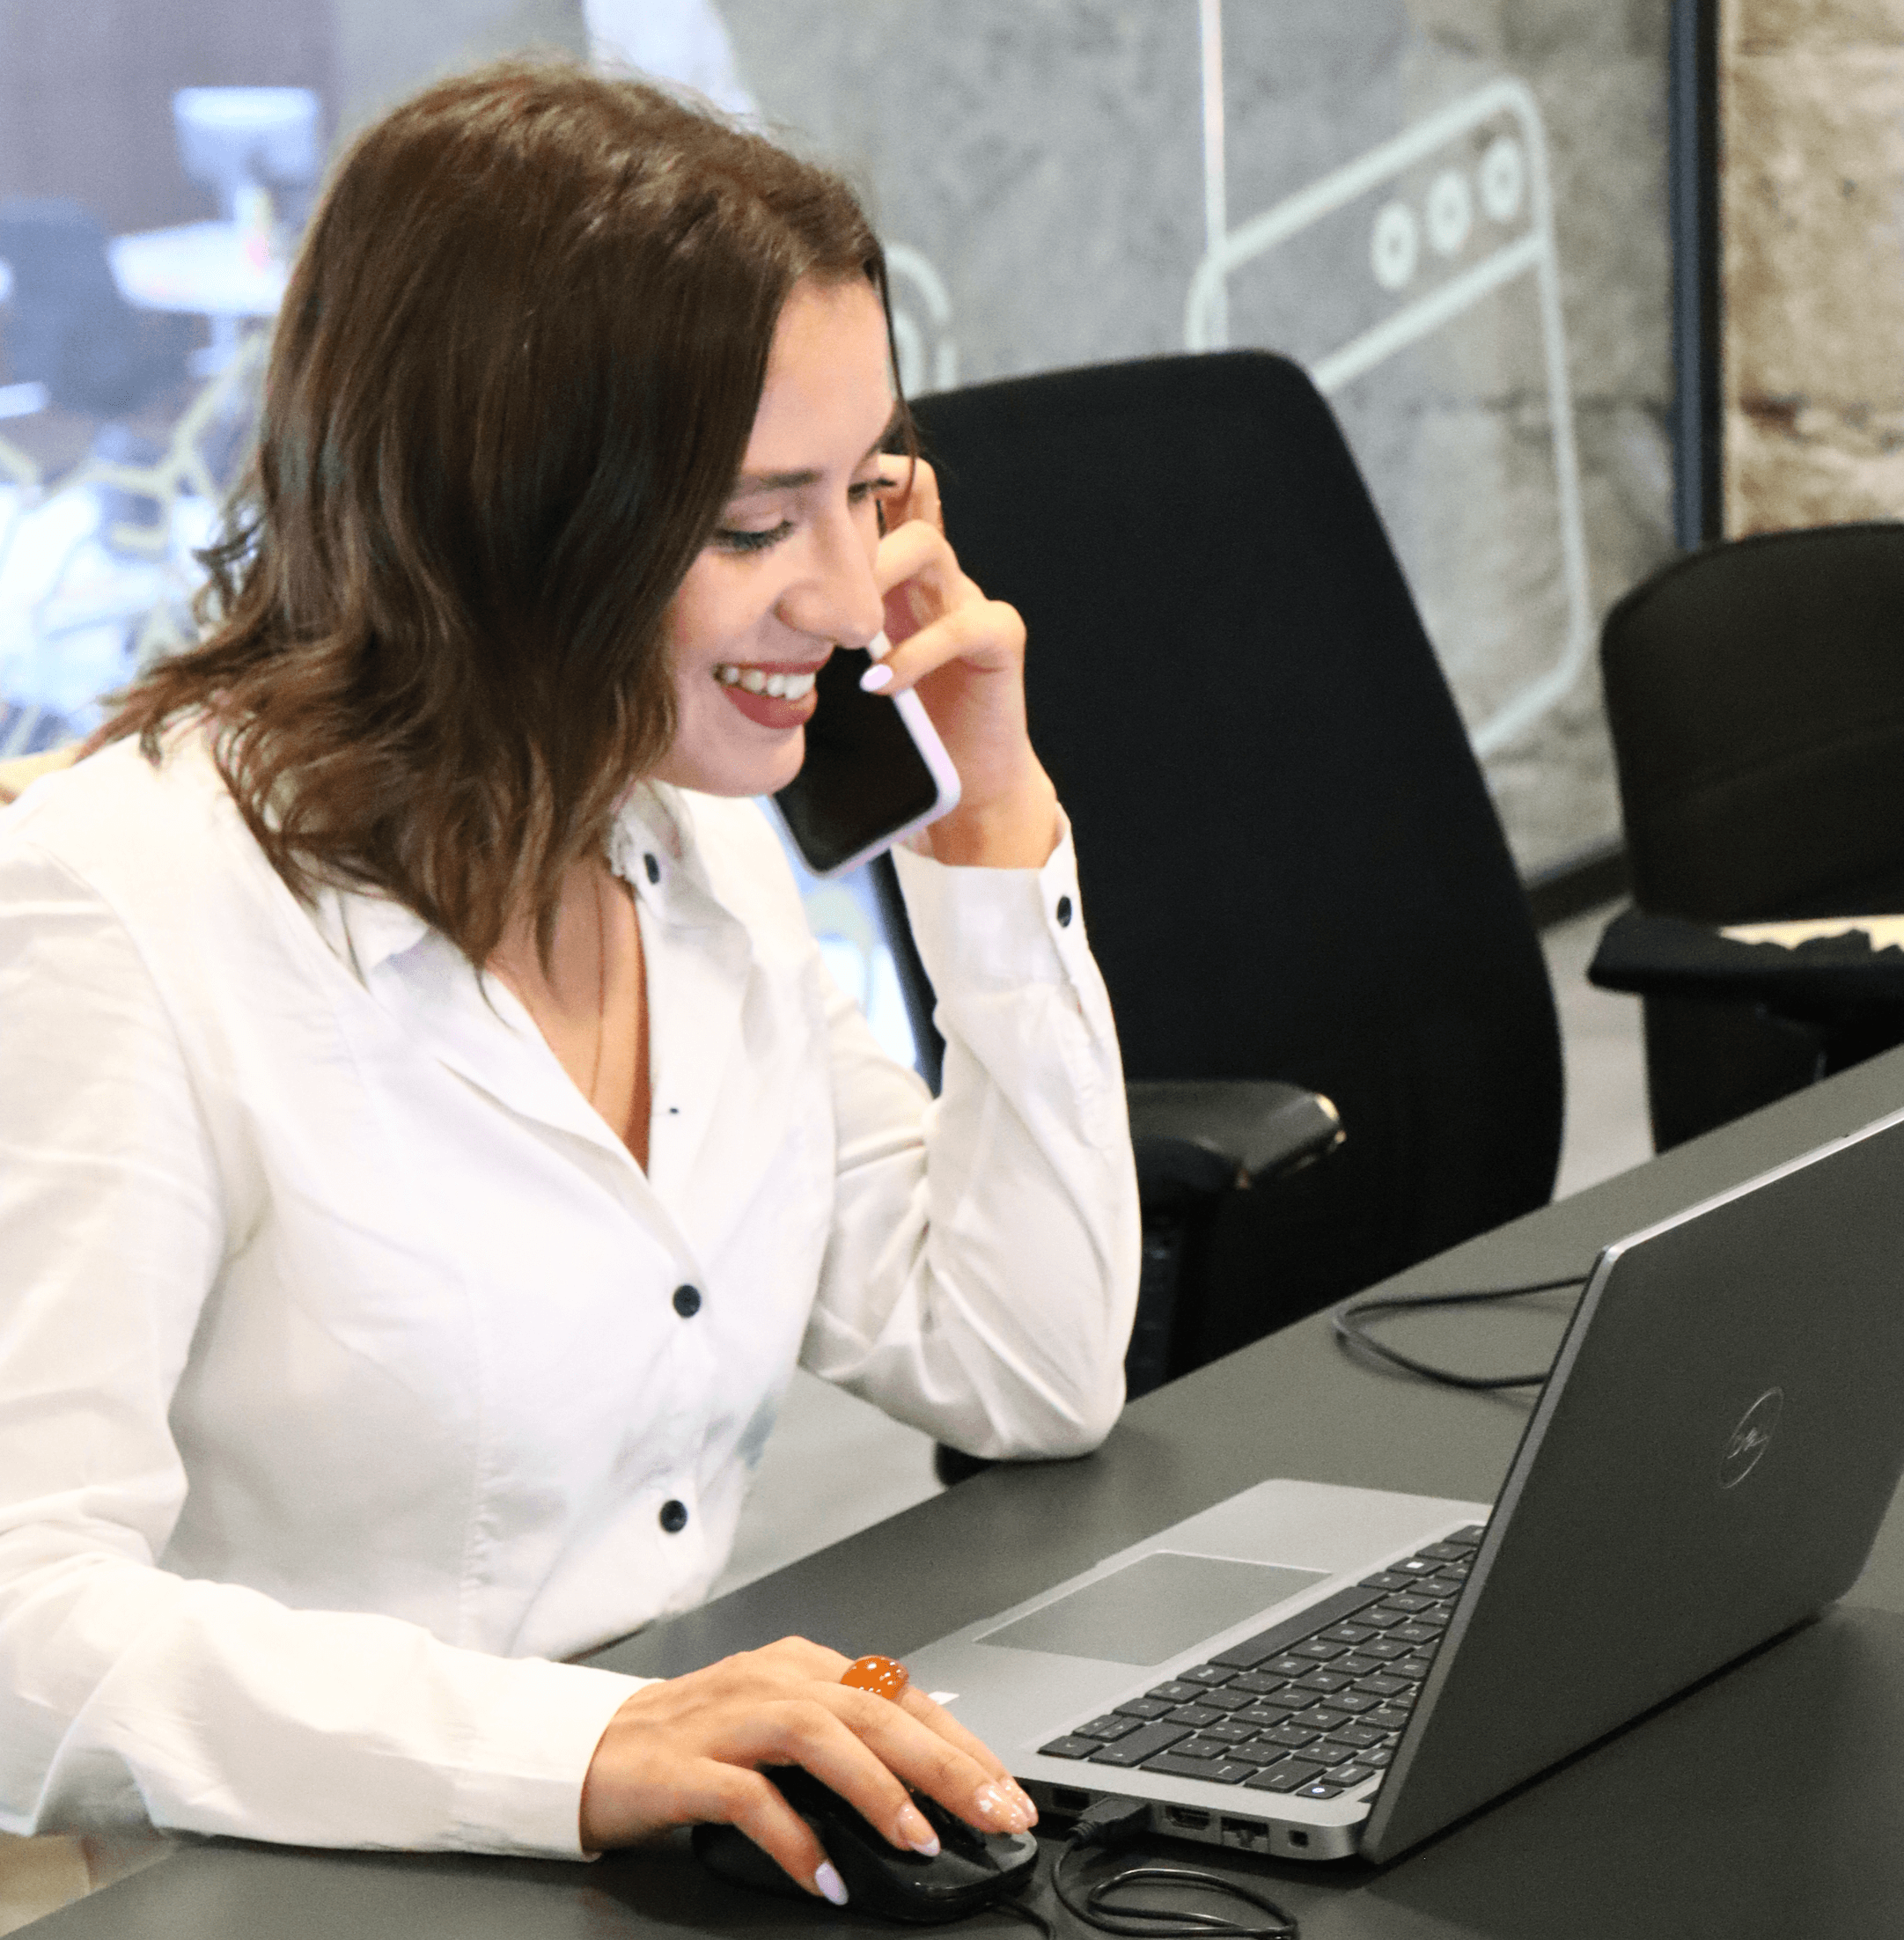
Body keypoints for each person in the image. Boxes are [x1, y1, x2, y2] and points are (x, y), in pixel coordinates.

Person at [0, 62, 1138, 1900]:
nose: (856, 602)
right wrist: (583, 1745)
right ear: (509, 518)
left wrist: (987, 820)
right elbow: (22, 1634)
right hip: (321, 1876)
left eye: (867, 492)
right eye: (758, 525)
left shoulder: (668, 829)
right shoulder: (118, 909)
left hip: (682, 1845)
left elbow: (1026, 1366)